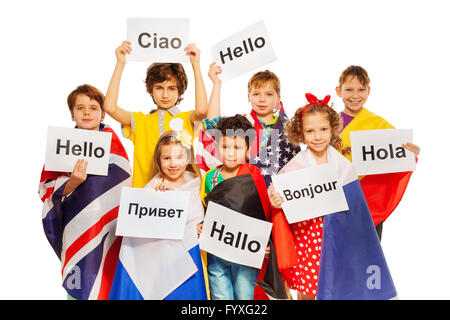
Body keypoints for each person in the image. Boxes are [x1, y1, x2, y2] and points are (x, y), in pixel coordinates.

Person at [269, 93, 397, 300]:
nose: (317, 136)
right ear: (301, 133)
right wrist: (276, 199)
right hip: (308, 239)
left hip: (338, 237)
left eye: (323, 130)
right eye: (310, 131)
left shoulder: (343, 165)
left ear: (332, 130)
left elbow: (356, 202)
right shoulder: (295, 166)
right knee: (308, 289)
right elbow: (278, 194)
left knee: (339, 286)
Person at [38, 84, 132, 300]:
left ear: (103, 113)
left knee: (109, 280)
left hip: (109, 225)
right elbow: (47, 187)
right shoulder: (61, 145)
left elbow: (124, 181)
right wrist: (72, 183)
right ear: (72, 114)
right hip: (77, 226)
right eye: (80, 108)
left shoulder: (114, 144)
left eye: (93, 107)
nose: (87, 112)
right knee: (80, 280)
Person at [109, 131, 208, 300]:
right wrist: (159, 197)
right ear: (158, 160)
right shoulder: (154, 185)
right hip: (160, 258)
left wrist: (202, 226)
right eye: (166, 158)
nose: (173, 163)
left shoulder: (197, 182)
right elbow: (139, 223)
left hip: (189, 253)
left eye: (179, 157)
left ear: (188, 158)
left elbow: (203, 213)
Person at [103, 40, 208, 188]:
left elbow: (202, 110)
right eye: (159, 87)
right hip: (144, 198)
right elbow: (110, 107)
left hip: (178, 196)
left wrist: (196, 64)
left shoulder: (186, 118)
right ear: (151, 89)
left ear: (180, 91)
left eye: (171, 88)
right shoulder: (140, 120)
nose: (165, 95)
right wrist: (120, 63)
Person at [335, 65, 420, 239]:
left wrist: (412, 153)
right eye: (349, 89)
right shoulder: (329, 124)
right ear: (339, 91)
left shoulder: (379, 125)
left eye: (361, 89)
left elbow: (397, 158)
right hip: (338, 199)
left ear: (369, 91)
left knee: (368, 252)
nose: (355, 95)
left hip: (369, 202)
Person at [198, 115, 273, 300]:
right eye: (225, 147)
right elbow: (204, 208)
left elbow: (263, 212)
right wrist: (201, 224)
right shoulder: (210, 177)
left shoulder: (254, 176)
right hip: (217, 250)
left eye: (237, 148)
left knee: (244, 295)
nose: (230, 153)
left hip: (245, 252)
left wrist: (265, 242)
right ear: (216, 147)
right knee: (220, 295)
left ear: (248, 149)